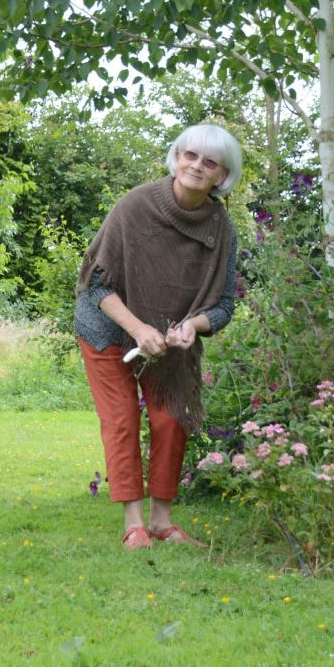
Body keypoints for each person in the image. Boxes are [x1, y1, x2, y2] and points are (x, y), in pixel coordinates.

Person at [74, 124, 242, 550]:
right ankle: (134, 525)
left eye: (209, 162)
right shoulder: (136, 206)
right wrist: (137, 329)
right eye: (190, 155)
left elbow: (223, 304)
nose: (197, 166)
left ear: (222, 175)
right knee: (122, 419)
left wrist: (192, 326)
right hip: (108, 328)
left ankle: (162, 522)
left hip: (168, 337)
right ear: (177, 157)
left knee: (171, 417)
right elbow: (95, 284)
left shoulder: (222, 228)